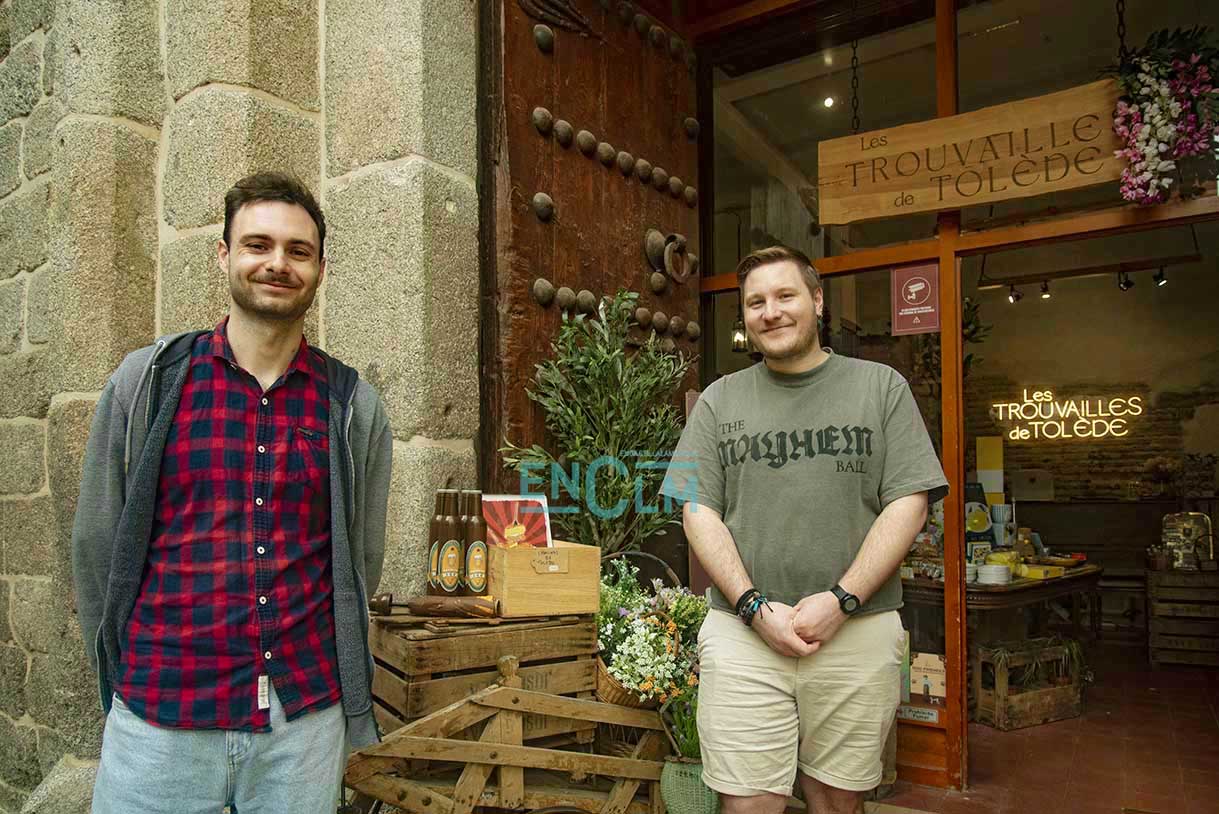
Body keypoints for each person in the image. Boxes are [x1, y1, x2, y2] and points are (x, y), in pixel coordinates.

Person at [71, 172, 393, 814]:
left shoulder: (352, 406)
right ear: (224, 255)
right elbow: (97, 543)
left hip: (300, 726)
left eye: (298, 251)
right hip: (160, 716)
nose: (278, 263)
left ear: (320, 268)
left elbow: (360, 559)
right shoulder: (150, 382)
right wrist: (119, 668)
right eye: (257, 245)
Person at [661, 245, 948, 814]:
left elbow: (909, 502)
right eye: (756, 303)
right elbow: (698, 510)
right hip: (743, 635)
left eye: (785, 296)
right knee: (748, 805)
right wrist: (752, 607)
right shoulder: (718, 400)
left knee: (838, 801)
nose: (771, 312)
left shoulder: (881, 388)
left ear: (817, 301)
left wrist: (841, 600)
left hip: (856, 629)